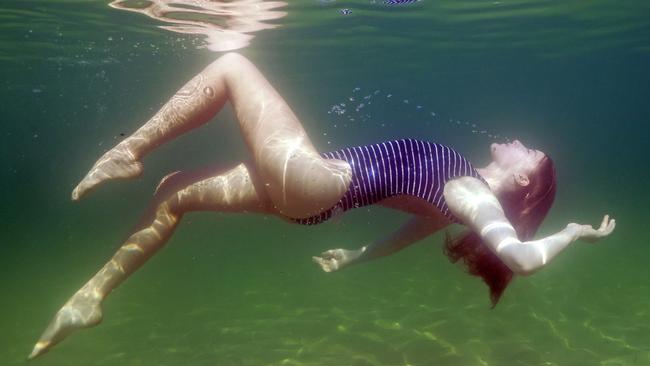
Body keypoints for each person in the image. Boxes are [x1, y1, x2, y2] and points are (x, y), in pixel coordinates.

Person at [28, 52, 616, 359]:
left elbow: (520, 257)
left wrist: (571, 235)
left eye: (531, 155)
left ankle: (127, 152)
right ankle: (91, 297)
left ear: (519, 182)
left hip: (310, 181)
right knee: (174, 194)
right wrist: (357, 256)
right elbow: (412, 229)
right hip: (308, 202)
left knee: (232, 65)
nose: (526, 143)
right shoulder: (460, 197)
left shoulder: (473, 194)